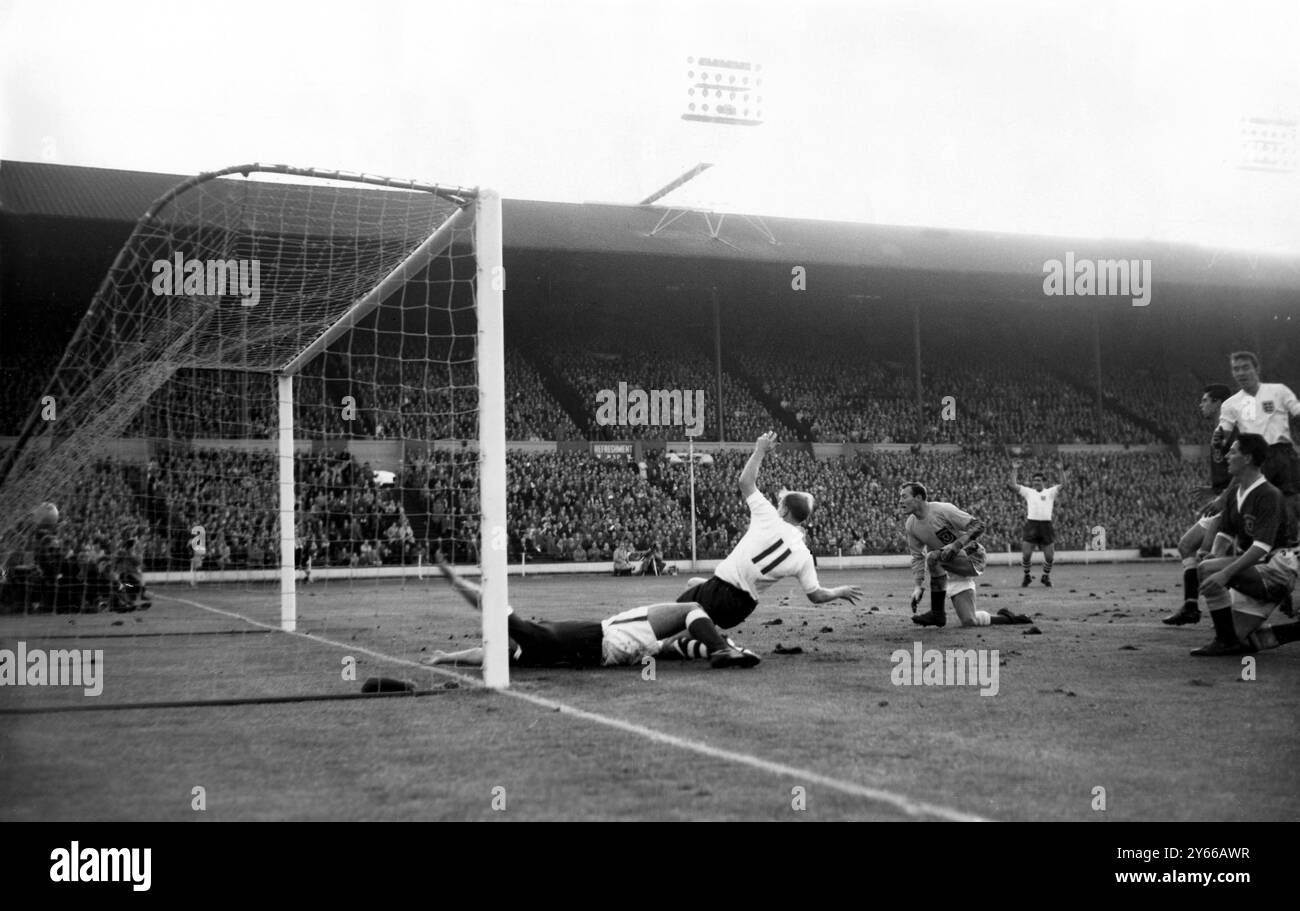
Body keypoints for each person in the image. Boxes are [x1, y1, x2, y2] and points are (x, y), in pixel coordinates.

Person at [424, 554, 760, 670]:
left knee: (668, 643)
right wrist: (455, 580)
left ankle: (710, 647)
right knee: (691, 608)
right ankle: (719, 650)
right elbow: (492, 608)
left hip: (610, 650)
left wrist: (446, 657)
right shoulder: (530, 638)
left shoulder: (523, 656)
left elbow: (483, 654)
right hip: (611, 637)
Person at [675, 431, 863, 630]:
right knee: (694, 584)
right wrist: (839, 592)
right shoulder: (804, 555)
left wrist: (760, 450)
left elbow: (745, 482)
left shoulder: (769, 517)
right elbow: (816, 595)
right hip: (742, 608)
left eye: (780, 503)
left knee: (669, 621)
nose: (777, 505)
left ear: (785, 510)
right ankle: (706, 638)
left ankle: (717, 646)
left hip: (722, 590)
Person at [1189, 434, 1300, 656]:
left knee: (1208, 570)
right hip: (1256, 569)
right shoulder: (1235, 494)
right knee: (1246, 639)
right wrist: (1216, 553)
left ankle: (1224, 642)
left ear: (1247, 458)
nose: (1227, 456)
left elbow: (1261, 547)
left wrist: (1224, 573)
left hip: (1277, 568)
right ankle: (1294, 631)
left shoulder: (1268, 494)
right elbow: (1226, 530)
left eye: (1233, 451)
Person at [900, 481, 1030, 628]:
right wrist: (918, 586)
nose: (900, 501)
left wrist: (955, 545)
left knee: (933, 557)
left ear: (918, 497)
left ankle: (937, 614)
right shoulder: (910, 525)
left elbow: (978, 525)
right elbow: (917, 557)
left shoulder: (942, 509)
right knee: (969, 621)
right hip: (950, 566)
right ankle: (1008, 618)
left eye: (904, 497)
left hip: (972, 556)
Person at [1164, 384, 1238, 625]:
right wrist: (1213, 490)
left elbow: (1243, 471)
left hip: (1234, 500)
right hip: (1223, 496)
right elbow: (1228, 473)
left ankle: (1236, 613)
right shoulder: (1219, 430)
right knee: (1187, 546)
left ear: (1218, 403)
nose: (1201, 404)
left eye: (1205, 400)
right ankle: (1191, 607)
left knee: (1209, 558)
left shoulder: (1232, 430)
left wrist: (1222, 497)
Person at [1215, 351, 1300, 546]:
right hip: (1255, 458)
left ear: (1257, 369)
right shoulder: (1231, 404)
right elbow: (1222, 433)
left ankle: (1288, 551)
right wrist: (1218, 440)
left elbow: (1297, 412)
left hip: (1283, 454)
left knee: (1291, 503)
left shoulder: (1278, 391)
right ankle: (1250, 549)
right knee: (1248, 504)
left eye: (1245, 367)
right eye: (1236, 369)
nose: (1241, 372)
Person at [1007, 460, 1068, 587]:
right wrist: (1015, 469)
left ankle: (1045, 576)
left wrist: (1060, 470)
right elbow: (1012, 485)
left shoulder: (1050, 492)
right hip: (1032, 525)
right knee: (1026, 555)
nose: (1036, 482)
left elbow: (1064, 484)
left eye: (1038, 480)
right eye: (1034, 481)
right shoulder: (1028, 491)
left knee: (1050, 556)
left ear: (1043, 482)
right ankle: (1027, 576)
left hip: (1046, 525)